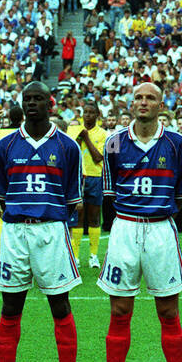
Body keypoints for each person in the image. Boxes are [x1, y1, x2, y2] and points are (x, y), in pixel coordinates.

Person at [91, 81, 182, 362]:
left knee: (168, 309)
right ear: (130, 103)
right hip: (125, 229)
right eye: (138, 97)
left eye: (150, 97)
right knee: (120, 309)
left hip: (161, 230)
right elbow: (109, 191)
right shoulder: (115, 142)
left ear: (161, 104)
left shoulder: (177, 143)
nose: (144, 102)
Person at [0, 82, 84, 362]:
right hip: (15, 232)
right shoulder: (4, 146)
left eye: (38, 99)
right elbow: (1, 197)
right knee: (10, 307)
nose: (31, 104)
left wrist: (47, 218)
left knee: (60, 305)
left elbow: (73, 200)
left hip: (51, 232)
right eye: (27, 99)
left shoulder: (68, 147)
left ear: (49, 104)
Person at [68, 101, 107, 269]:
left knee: (94, 216)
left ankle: (93, 256)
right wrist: (77, 138)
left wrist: (85, 137)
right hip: (77, 178)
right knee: (78, 217)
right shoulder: (74, 131)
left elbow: (98, 157)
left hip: (95, 177)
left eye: (91, 112)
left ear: (97, 115)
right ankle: (75, 256)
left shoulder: (103, 134)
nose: (88, 115)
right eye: (85, 112)